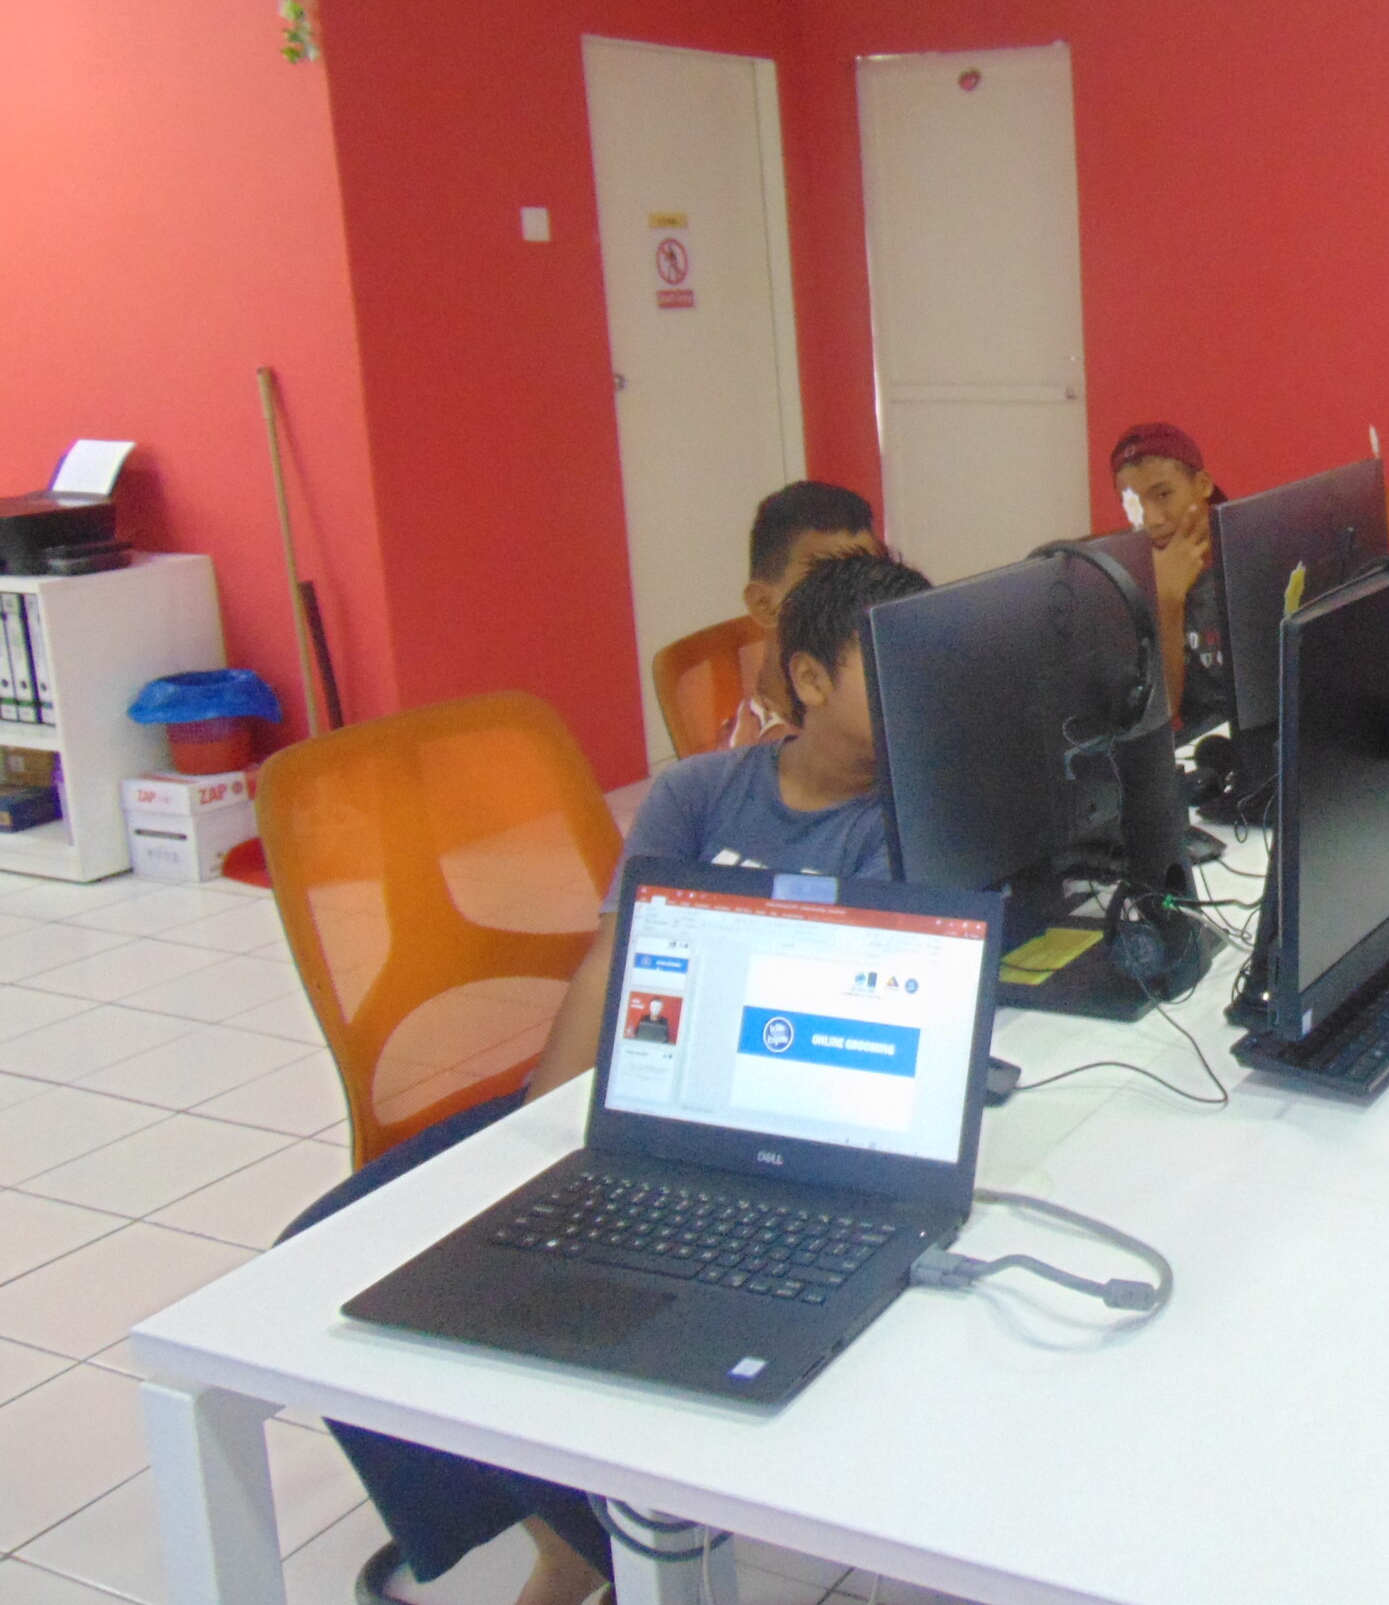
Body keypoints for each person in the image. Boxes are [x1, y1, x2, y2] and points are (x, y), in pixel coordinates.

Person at [284, 552, 932, 1605]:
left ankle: (590, 1549)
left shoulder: (906, 816)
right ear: (810, 680)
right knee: (321, 1251)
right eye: (888, 665)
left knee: (597, 1302)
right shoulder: (698, 794)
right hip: (633, 1099)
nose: (917, 687)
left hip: (769, 1129)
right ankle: (566, 1529)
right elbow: (609, 961)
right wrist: (543, 1129)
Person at [725, 481, 885, 749]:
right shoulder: (751, 759)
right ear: (764, 606)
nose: (855, 601)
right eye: (825, 584)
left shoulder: (884, 712)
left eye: (867, 579)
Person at [1109, 422, 1229, 737]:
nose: (1152, 520)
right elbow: (1161, 713)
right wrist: (1166, 601)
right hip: (1199, 747)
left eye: (1163, 494)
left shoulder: (1248, 553)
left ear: (1202, 485)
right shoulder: (1124, 584)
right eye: (1133, 503)